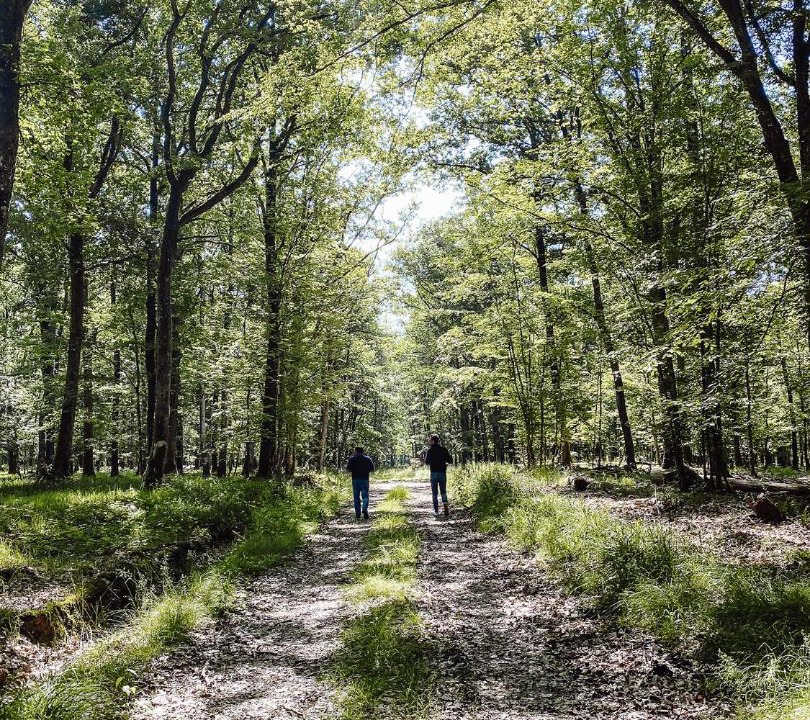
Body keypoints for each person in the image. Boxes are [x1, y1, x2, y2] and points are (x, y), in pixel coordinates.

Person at [423, 433, 452, 517]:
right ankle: (445, 505)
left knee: (434, 492)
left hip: (434, 473)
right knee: (443, 491)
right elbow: (450, 460)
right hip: (442, 472)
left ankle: (436, 511)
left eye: (429, 440)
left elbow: (427, 462)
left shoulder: (430, 450)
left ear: (433, 441)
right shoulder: (443, 449)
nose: (428, 441)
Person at [346, 446, 374, 520]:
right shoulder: (368, 459)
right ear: (363, 451)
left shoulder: (352, 459)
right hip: (365, 479)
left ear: (356, 451)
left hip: (355, 479)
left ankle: (358, 514)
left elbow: (348, 468)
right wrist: (365, 470)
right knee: (365, 496)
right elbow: (372, 468)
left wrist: (354, 470)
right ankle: (364, 508)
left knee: (356, 497)